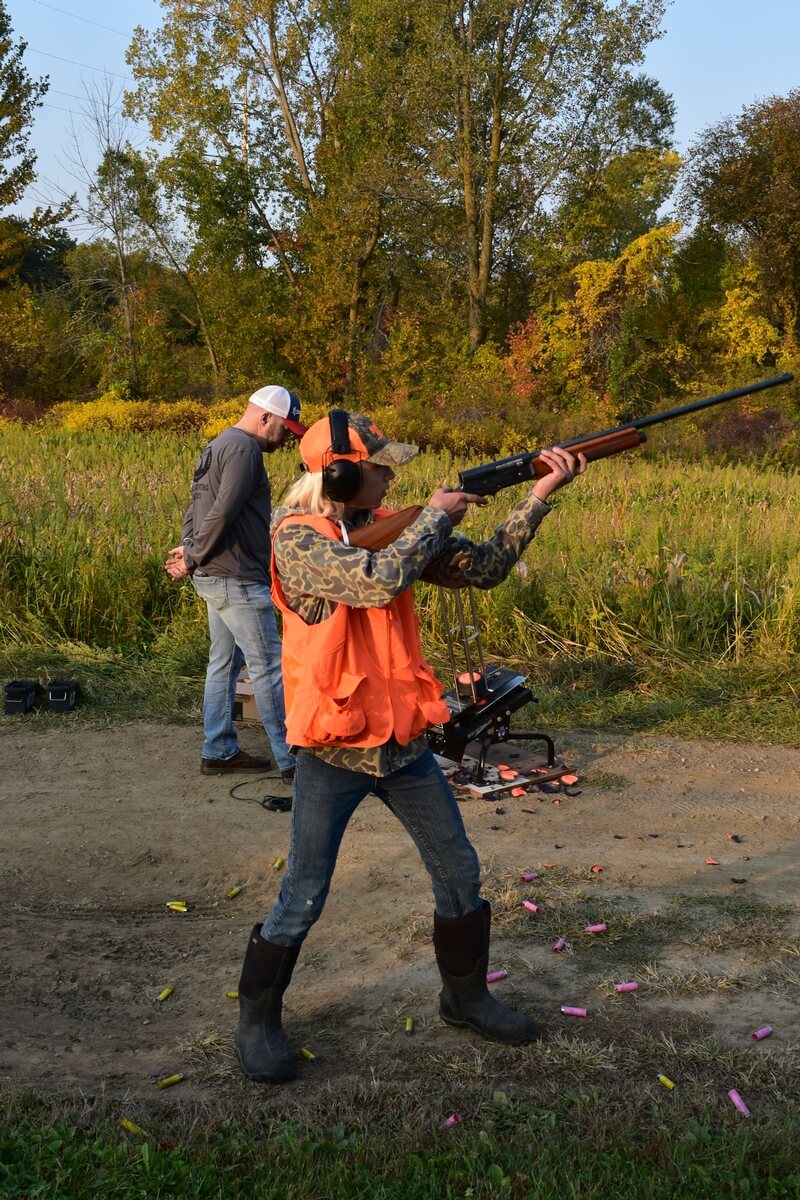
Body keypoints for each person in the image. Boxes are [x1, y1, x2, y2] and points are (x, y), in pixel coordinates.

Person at [233, 411, 587, 1083]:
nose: (392, 476)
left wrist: (539, 494)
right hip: (334, 750)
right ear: (340, 474)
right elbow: (375, 582)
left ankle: (465, 998)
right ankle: (257, 1022)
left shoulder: (389, 526)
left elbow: (484, 570)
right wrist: (434, 518)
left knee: (458, 872)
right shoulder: (296, 539)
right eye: (381, 466)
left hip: (403, 745)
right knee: (303, 894)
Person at [164, 385, 306, 780]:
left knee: (224, 663)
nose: (287, 438)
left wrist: (190, 549)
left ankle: (219, 750)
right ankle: (293, 760)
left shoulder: (218, 444)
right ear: (265, 417)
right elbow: (223, 511)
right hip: (237, 577)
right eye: (285, 428)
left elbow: (197, 507)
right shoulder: (244, 450)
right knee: (268, 666)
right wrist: (191, 555)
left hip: (216, 574)